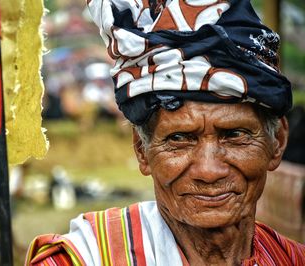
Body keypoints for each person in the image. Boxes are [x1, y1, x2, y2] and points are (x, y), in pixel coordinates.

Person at [25, 0, 305, 265]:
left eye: (234, 135)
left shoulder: (292, 259)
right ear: (141, 151)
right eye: (179, 139)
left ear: (277, 142)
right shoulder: (81, 259)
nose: (209, 171)